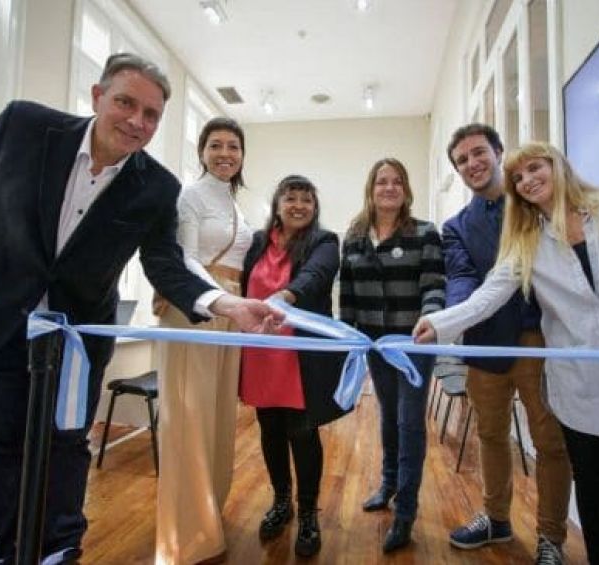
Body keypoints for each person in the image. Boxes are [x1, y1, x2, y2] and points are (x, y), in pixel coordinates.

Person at [0, 53, 277, 565]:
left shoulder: (158, 187)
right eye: (126, 103)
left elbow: (165, 263)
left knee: (66, 449)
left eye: (151, 115)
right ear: (98, 96)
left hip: (78, 344)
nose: (137, 121)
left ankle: (60, 554)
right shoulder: (23, 126)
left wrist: (229, 304)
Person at [414, 142, 599, 565]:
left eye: (536, 168)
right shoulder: (527, 240)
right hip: (580, 385)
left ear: (558, 165)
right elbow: (488, 296)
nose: (527, 180)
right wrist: (439, 324)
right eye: (518, 178)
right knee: (594, 496)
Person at [441, 124, 571, 564]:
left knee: (550, 442)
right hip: (484, 345)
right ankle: (496, 518)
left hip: (539, 338)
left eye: (479, 153)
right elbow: (461, 278)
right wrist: (453, 320)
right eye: (462, 160)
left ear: (498, 152)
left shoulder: (535, 204)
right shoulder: (457, 227)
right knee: (490, 434)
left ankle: (551, 537)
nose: (472, 164)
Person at [153, 117, 253, 564]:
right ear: (202, 151)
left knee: (216, 415)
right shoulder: (190, 196)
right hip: (196, 308)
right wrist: (216, 301)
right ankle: (186, 533)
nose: (225, 154)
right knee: (190, 417)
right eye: (216, 145)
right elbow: (185, 258)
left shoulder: (236, 204)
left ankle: (209, 509)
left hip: (230, 313)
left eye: (234, 146)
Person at [339, 157, 445, 553]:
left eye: (396, 181)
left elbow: (434, 285)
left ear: (406, 190)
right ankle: (387, 483)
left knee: (409, 421)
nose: (389, 187)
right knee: (387, 414)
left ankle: (405, 513)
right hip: (373, 344)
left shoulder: (424, 233)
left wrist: (431, 318)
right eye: (382, 181)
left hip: (413, 343)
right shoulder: (353, 236)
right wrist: (349, 336)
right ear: (371, 188)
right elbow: (346, 295)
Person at [240, 174, 349, 558]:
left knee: (302, 434)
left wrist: (284, 298)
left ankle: (307, 514)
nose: (299, 205)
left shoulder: (325, 241)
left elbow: (315, 277)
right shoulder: (257, 242)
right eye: (291, 198)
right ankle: (281, 502)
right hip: (260, 352)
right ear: (278, 203)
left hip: (299, 354)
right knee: (269, 430)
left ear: (315, 207)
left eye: (306, 199)